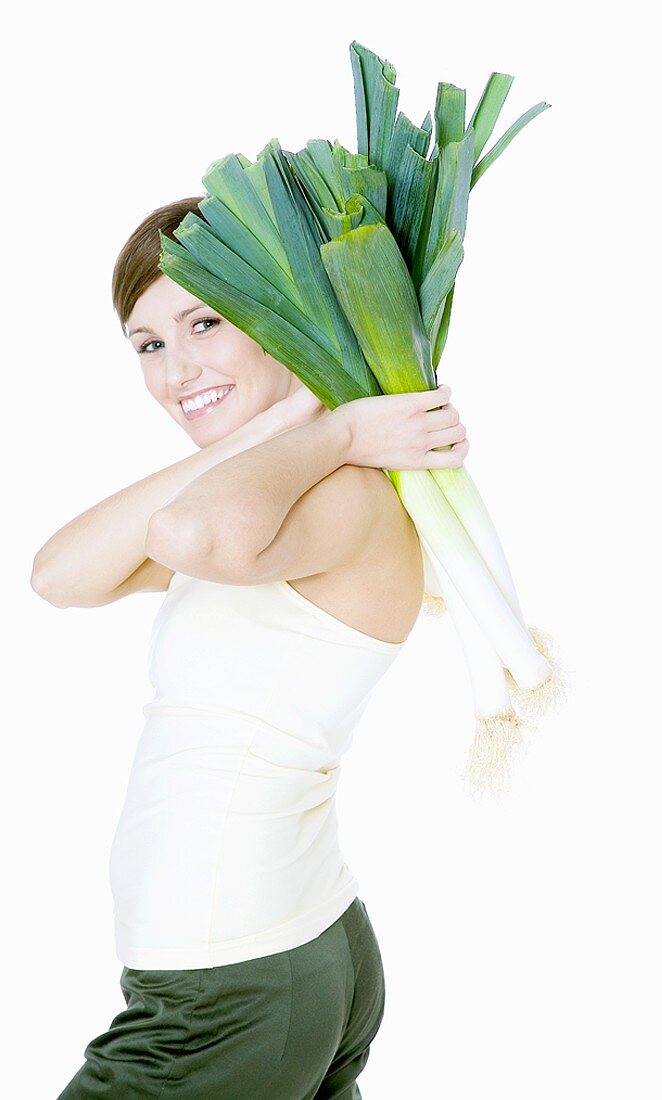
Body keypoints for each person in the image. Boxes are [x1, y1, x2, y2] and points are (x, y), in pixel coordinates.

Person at [32, 196, 469, 1099]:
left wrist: (336, 421)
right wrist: (295, 417)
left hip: (227, 985)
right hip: (276, 952)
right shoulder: (274, 495)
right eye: (147, 344)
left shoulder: (335, 494)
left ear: (288, 318)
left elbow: (193, 537)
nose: (174, 368)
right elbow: (60, 576)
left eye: (204, 322)